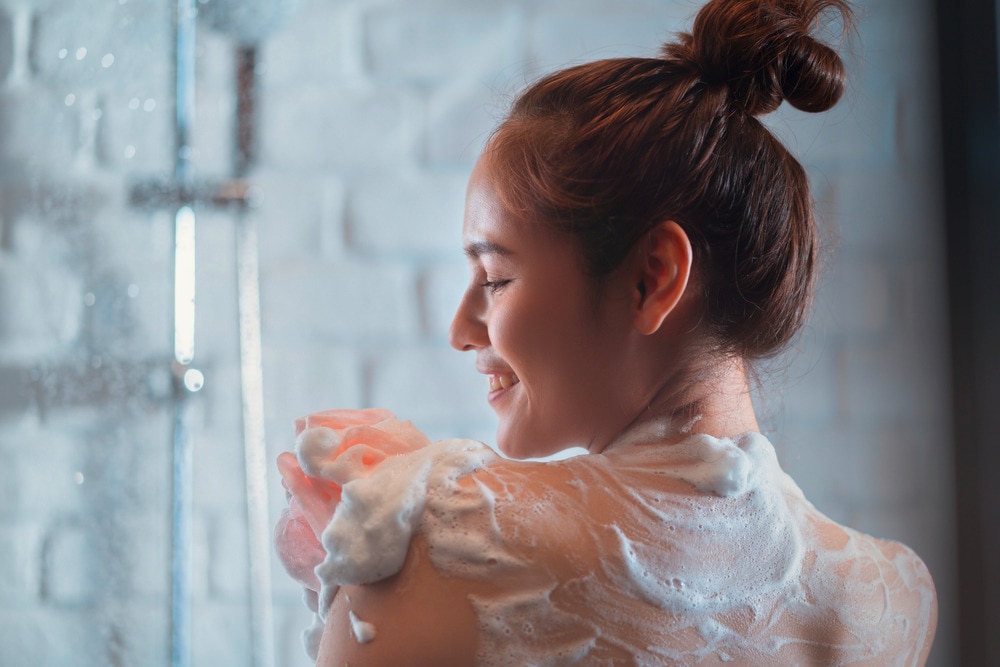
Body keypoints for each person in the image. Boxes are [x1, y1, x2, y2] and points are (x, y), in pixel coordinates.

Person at [275, 0, 939, 663]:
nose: (461, 330)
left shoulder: (443, 549)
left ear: (653, 277)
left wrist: (383, 547)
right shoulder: (889, 597)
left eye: (497, 278)